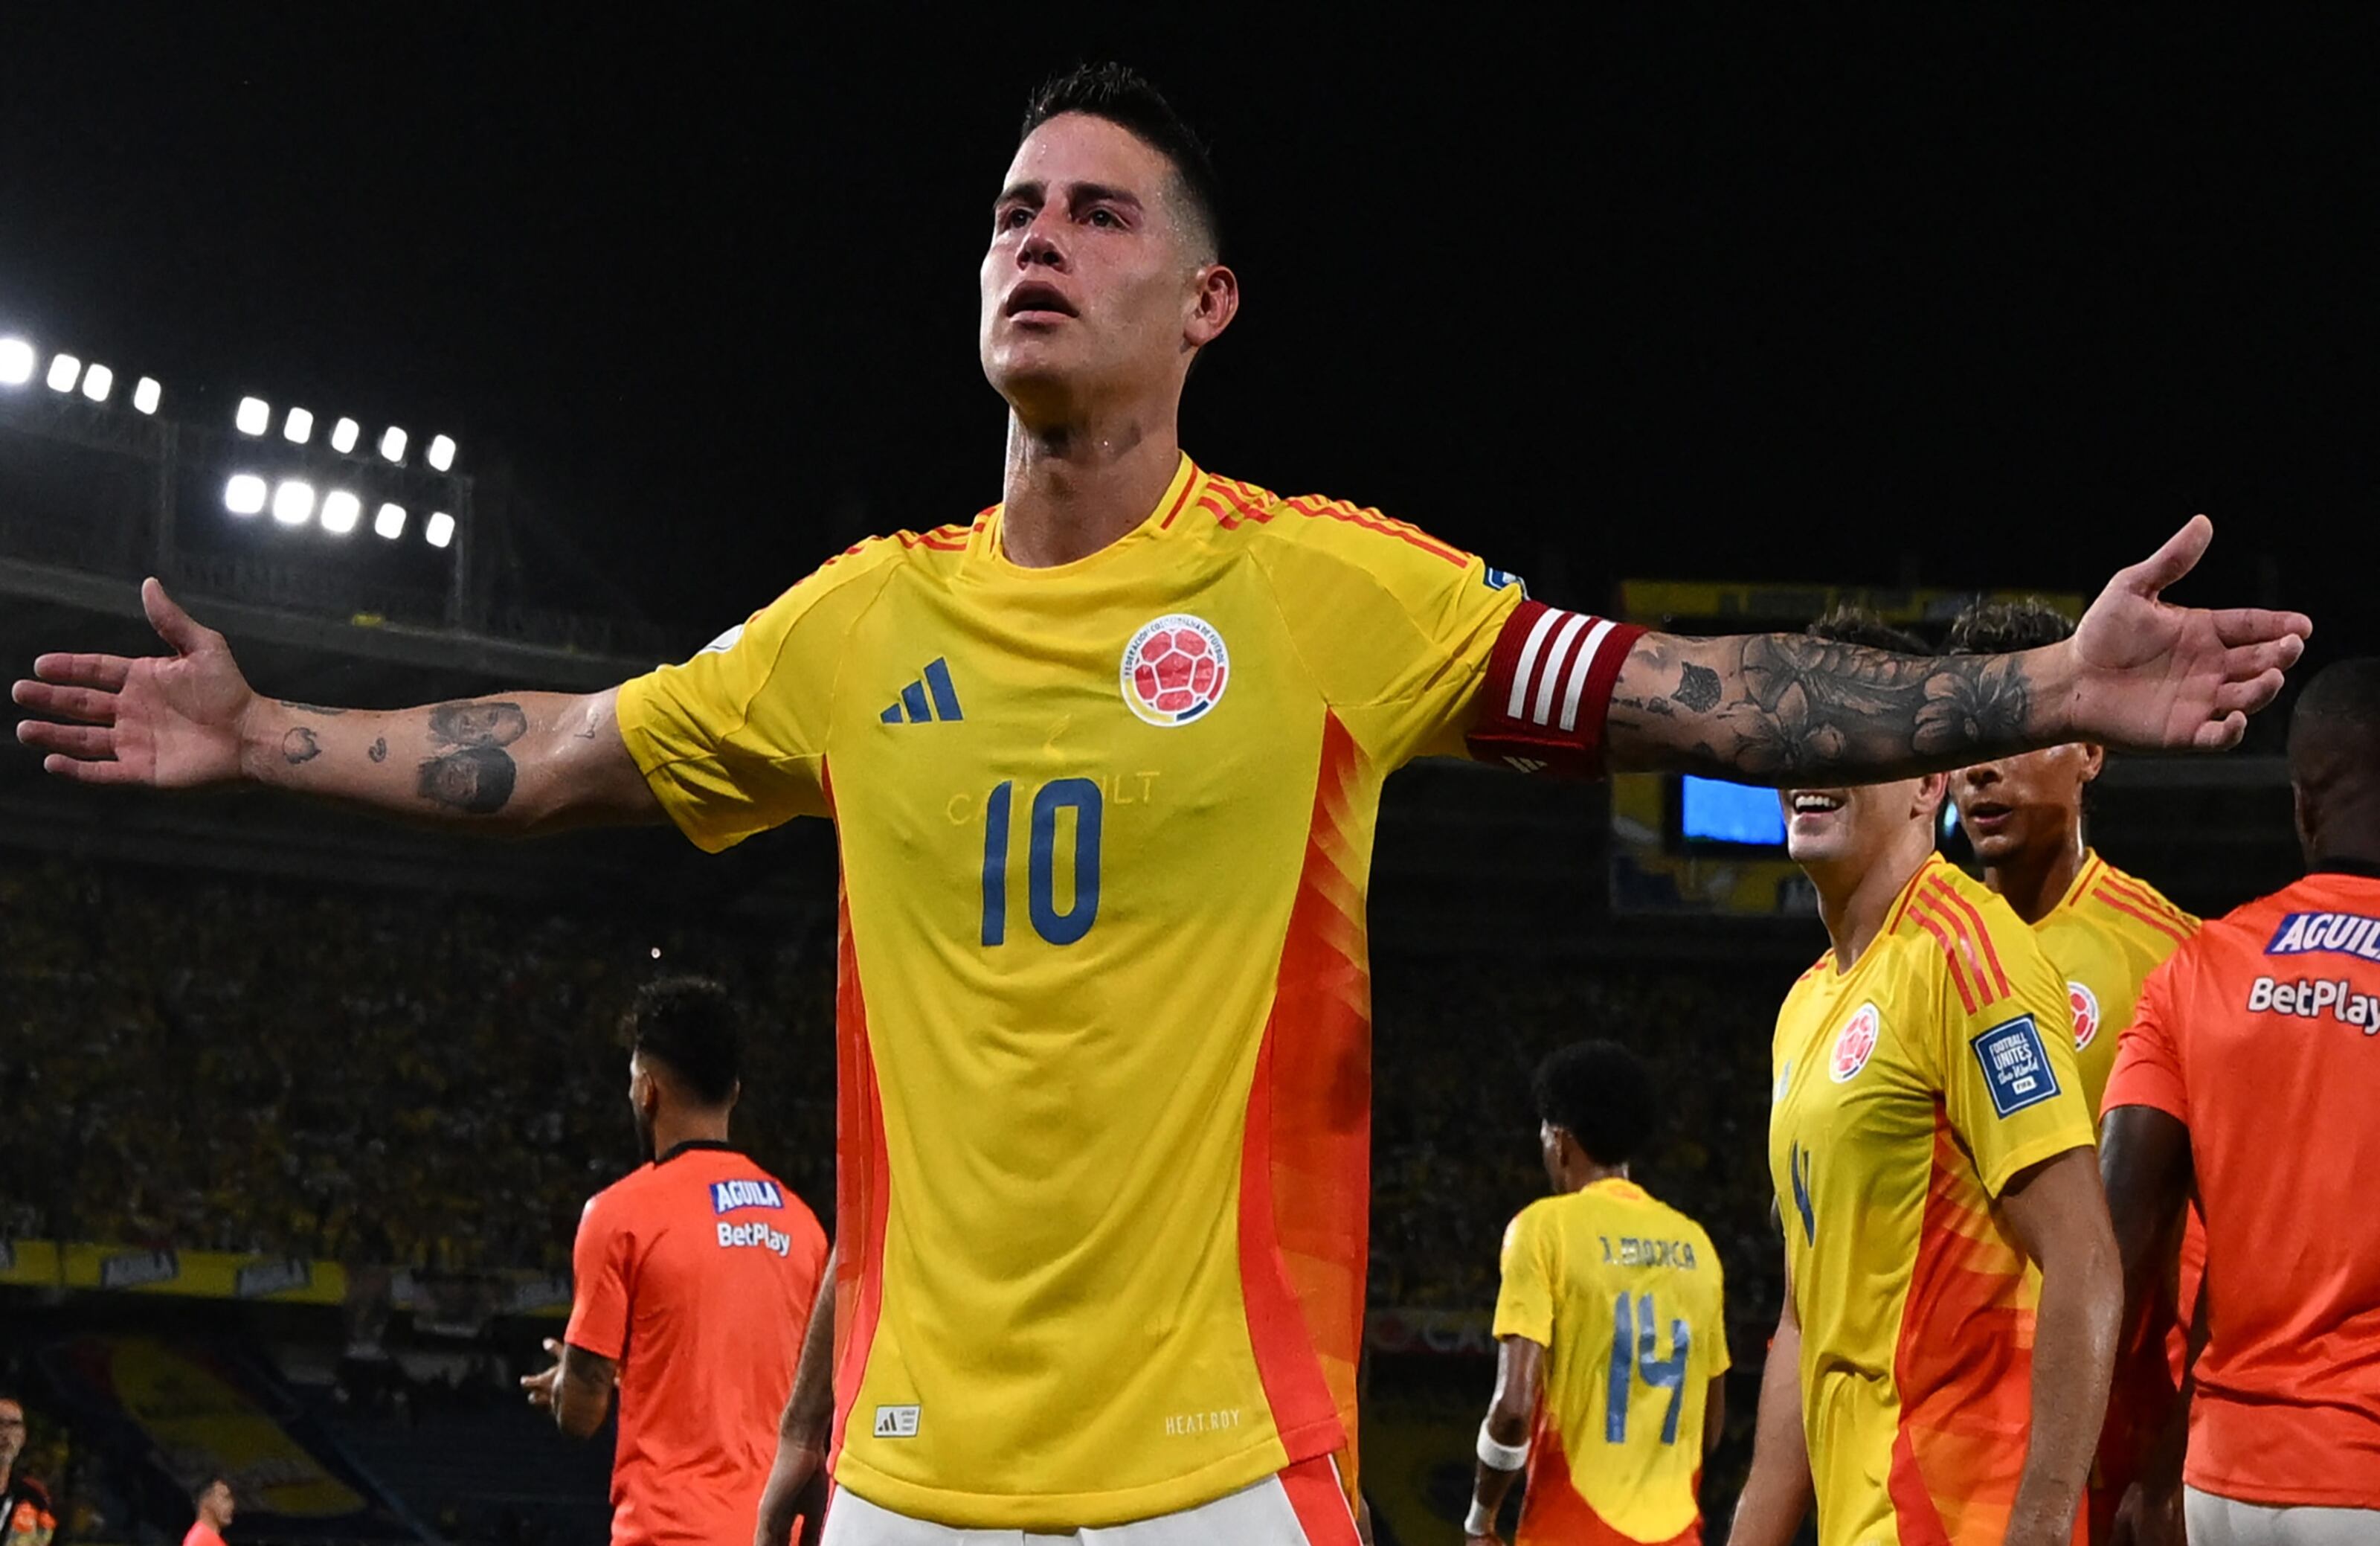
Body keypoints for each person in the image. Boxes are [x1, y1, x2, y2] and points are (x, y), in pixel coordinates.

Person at [12, 62, 2307, 1544]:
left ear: (1206, 300)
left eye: (1099, 213)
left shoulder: (1329, 596)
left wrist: (2040, 677)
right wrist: (268, 727)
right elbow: (570, 745)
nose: (1039, 236)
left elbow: (1685, 685)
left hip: (1227, 1476)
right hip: (906, 1478)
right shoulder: (855, 623)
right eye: (1015, 208)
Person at [1731, 612, 2120, 1546]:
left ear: (1926, 779)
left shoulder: (1966, 954)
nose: (1810, 756)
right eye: (1795, 728)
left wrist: (2037, 1527)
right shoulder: (1803, 1003)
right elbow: (1803, 1315)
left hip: (1954, 1514)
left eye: (1848, 732)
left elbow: (2083, 1259)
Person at [2100, 657, 2380, 1546]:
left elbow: (2116, 1246)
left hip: (2218, 1482)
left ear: (2301, 801)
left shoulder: (2197, 967)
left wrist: (2138, 1454)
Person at [1944, 597, 2202, 1544]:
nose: (1982, 766)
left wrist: (2171, 1454)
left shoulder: (2171, 958)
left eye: (2018, 732)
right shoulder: (1912, 953)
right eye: (1969, 738)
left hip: (2110, 1441)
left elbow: (2226, 1237)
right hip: (1942, 1440)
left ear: (2090, 747)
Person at [521, 978, 829, 1546]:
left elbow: (581, 1415)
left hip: (669, 1532)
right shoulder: (803, 1226)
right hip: (776, 1533)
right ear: (734, 1092)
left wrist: (571, 1381)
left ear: (646, 1091)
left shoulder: (619, 1215)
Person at [1462, 1042, 1726, 1546]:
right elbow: (1709, 1428)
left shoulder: (1543, 1230)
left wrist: (1481, 1519)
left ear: (1561, 1141)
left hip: (1570, 1530)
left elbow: (1513, 1409)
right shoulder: (1696, 1245)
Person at [0, 1395, 56, 1546]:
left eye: (14, 1425)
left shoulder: (33, 1499)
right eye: (0, 1423)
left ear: (23, 1437)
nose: (6, 1433)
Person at [184, 1476, 234, 1546]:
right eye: (224, 1497)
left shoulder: (208, 1539)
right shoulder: (200, 1539)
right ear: (205, 1501)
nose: (231, 1505)